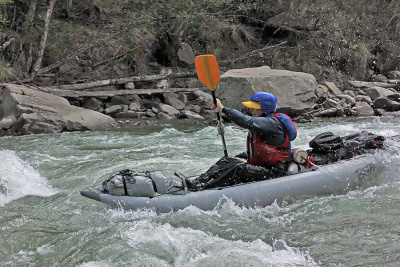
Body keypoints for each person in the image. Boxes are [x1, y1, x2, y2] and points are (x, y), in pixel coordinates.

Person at [211, 91, 297, 169]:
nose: (250, 109)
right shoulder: (261, 123)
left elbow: (245, 121)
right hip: (263, 167)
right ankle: (201, 183)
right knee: (226, 161)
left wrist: (223, 109)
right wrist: (236, 157)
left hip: (276, 170)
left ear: (265, 108)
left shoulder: (272, 123)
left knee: (239, 169)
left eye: (254, 107)